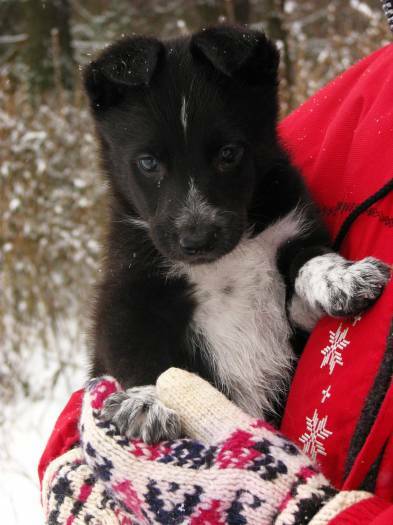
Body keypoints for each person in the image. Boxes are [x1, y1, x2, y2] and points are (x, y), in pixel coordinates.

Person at [39, 15, 393, 525]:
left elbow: (297, 265)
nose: (193, 221)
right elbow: (122, 338)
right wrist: (76, 451)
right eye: (151, 166)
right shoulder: (345, 111)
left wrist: (315, 271)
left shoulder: (278, 194)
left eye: (225, 156)